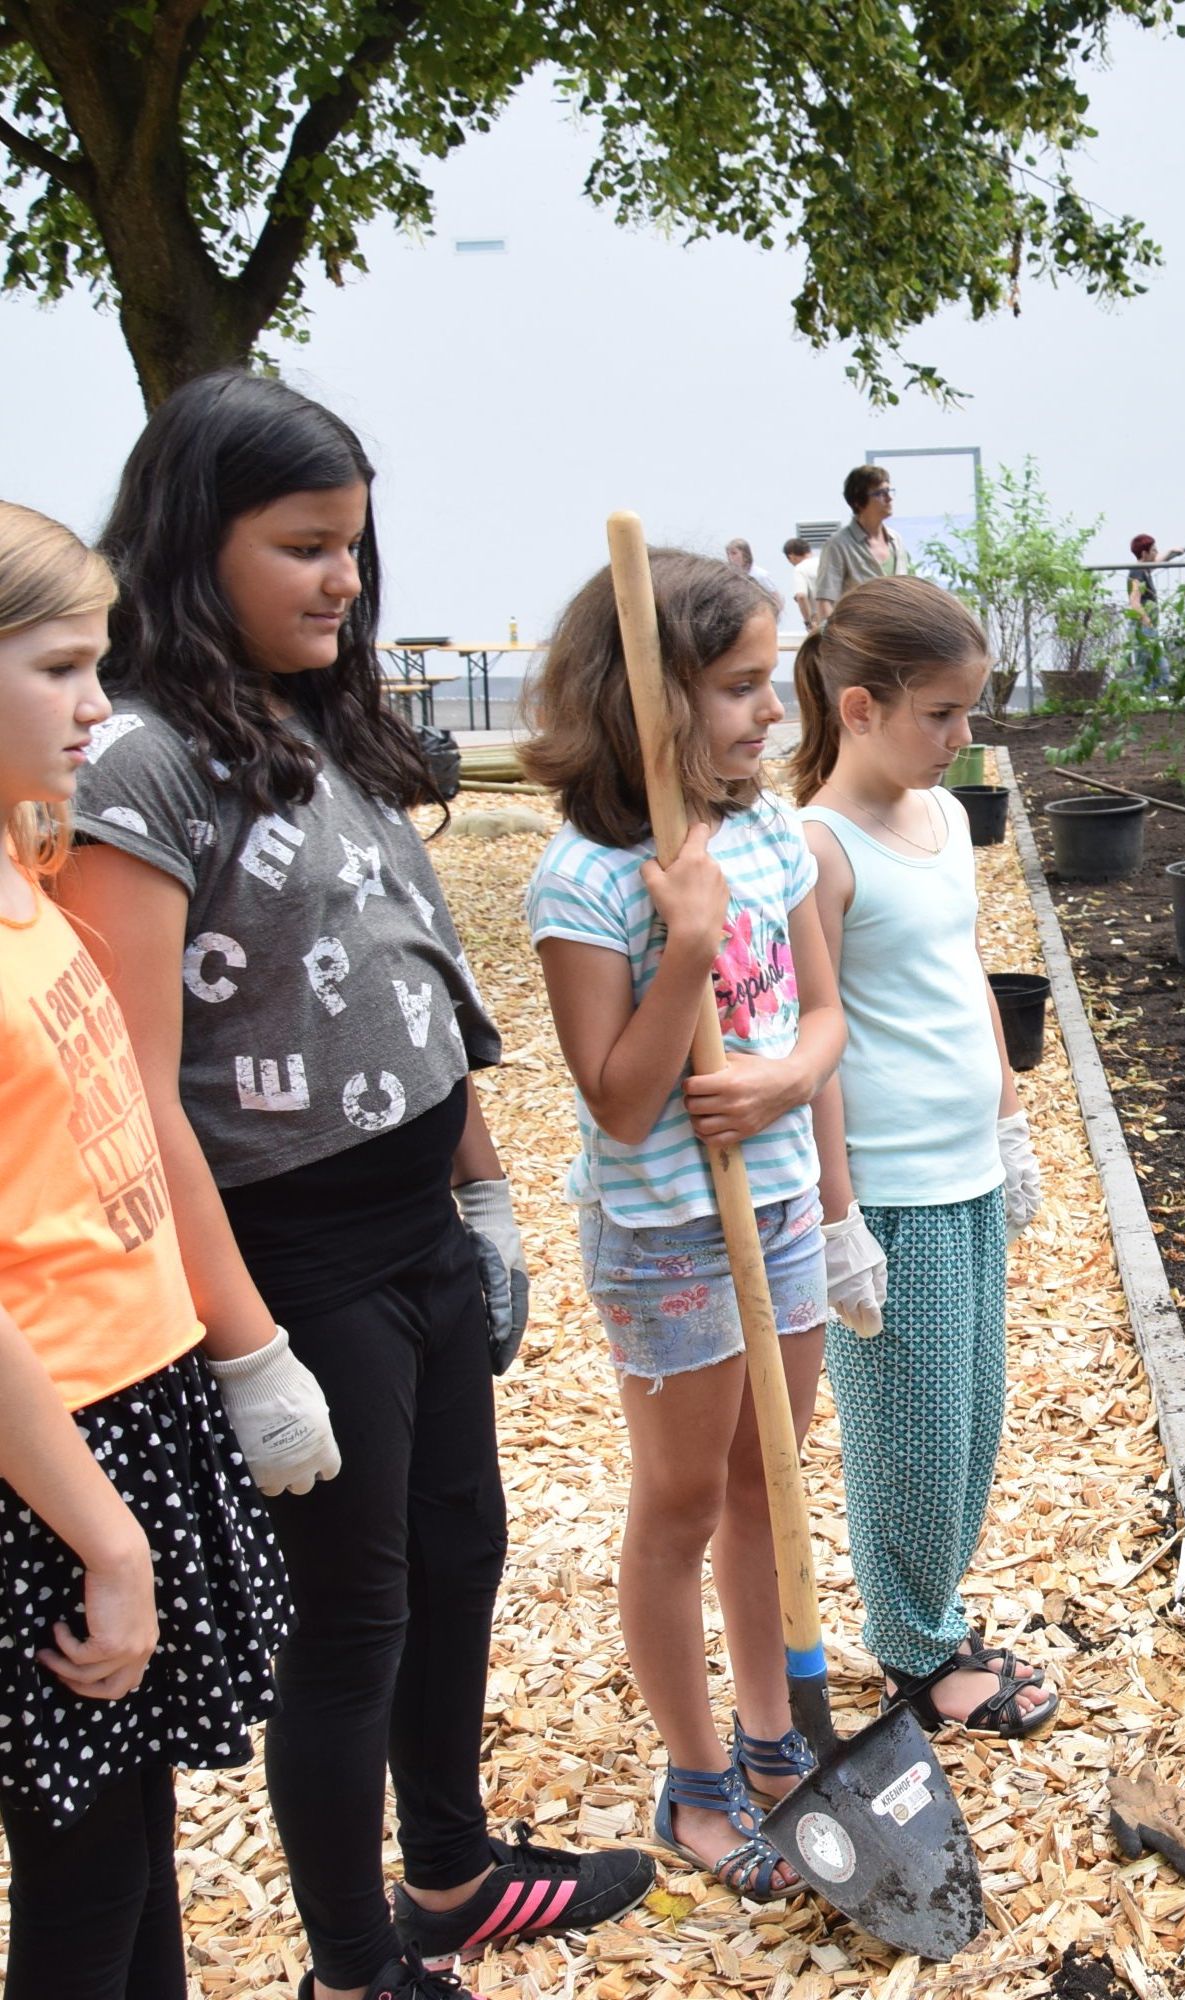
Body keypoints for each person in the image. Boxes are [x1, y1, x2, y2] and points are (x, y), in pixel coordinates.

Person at [61, 372, 654, 2000]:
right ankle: (351, 1966)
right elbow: (129, 1083)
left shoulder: (324, 723)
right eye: (306, 547)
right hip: (293, 1250)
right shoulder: (145, 765)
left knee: (462, 1548)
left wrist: (483, 1195)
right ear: (194, 545)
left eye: (355, 548)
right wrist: (247, 1352)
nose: (344, 581)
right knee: (354, 1618)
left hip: (413, 1229)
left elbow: (417, 977)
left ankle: (452, 1876)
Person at [520, 550, 853, 1899]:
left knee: (763, 1481)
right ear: (645, 703)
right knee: (677, 1500)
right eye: (736, 688)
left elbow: (824, 1018)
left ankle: (775, 1739)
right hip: (664, 1238)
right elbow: (618, 1099)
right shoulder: (582, 880)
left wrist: (780, 1074)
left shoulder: (772, 835)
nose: (768, 714)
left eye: (768, 683)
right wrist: (687, 950)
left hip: (771, 1211)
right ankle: (696, 1773)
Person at [0, 501, 297, 2000]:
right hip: (46, 1456)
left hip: (135, 1397)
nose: (99, 705)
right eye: (59, 668)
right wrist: (108, 1537)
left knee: (133, 1834)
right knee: (81, 1868)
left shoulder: (23, 863)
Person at [790, 576, 1059, 1740]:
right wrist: (836, 1214)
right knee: (910, 1429)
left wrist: (1008, 1117)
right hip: (889, 1188)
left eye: (969, 712)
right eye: (939, 715)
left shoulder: (945, 819)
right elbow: (814, 1039)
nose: (963, 740)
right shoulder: (818, 846)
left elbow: (964, 977)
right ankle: (913, 1649)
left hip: (965, 1169)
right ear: (859, 706)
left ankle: (934, 1615)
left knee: (974, 1416)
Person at [809, 465, 912, 628]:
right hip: (858, 638)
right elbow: (825, 601)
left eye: (889, 491)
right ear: (858, 502)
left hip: (895, 635)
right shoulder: (838, 545)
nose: (889, 498)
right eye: (880, 493)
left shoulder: (895, 539)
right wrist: (834, 643)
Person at [1125, 534, 1165, 689]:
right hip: (1143, 627)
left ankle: (1151, 700)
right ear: (1144, 554)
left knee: (1159, 668)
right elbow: (1134, 602)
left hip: (1148, 627)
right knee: (1146, 668)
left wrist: (1173, 551)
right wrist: (1147, 620)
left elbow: (1160, 559)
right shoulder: (1137, 572)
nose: (1156, 553)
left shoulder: (1144, 570)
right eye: (1154, 550)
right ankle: (1145, 702)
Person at [724, 538, 790, 618]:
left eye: (734, 553)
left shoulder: (760, 575)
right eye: (728, 554)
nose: (730, 557)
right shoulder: (730, 575)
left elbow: (776, 599)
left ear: (745, 554)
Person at [785, 536, 817, 631]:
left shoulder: (800, 569)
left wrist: (809, 623)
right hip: (840, 617)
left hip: (819, 621)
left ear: (791, 556)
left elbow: (801, 596)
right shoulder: (826, 562)